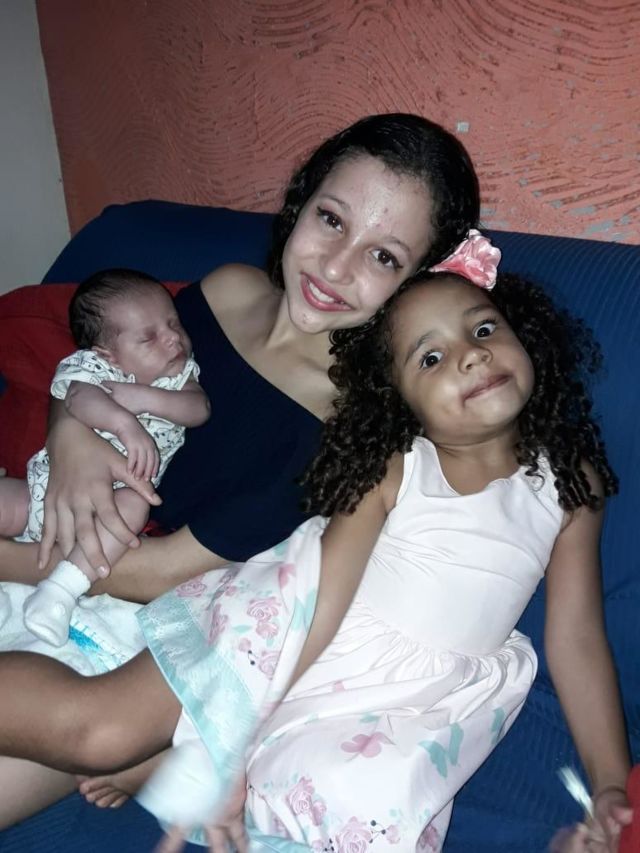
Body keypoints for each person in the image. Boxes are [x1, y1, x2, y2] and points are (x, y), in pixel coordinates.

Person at [0, 258, 632, 853]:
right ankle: (174, 763)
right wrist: (236, 740)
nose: (472, 356)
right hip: (297, 638)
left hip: (411, 704)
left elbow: (576, 636)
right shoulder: (398, 466)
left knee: (350, 822)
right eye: (431, 357)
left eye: (484, 328)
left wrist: (611, 783)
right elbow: (320, 601)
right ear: (400, 401)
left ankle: (166, 772)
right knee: (102, 732)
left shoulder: (571, 481)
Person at [0, 113, 481, 823]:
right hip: (51, 529)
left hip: (124, 628)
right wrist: (67, 430)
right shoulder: (225, 290)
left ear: (416, 281)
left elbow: (164, 572)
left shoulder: (349, 423)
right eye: (331, 219)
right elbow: (110, 367)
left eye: (383, 257)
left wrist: (12, 558)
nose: (336, 267)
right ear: (300, 202)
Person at [0, 269, 209, 646]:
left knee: (136, 504)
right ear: (107, 353)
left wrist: (148, 399)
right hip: (46, 491)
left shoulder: (181, 377)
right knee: (7, 498)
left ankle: (60, 590)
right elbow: (78, 398)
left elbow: (199, 409)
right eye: (148, 337)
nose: (172, 338)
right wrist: (124, 424)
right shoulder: (94, 368)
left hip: (110, 508)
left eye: (173, 323)